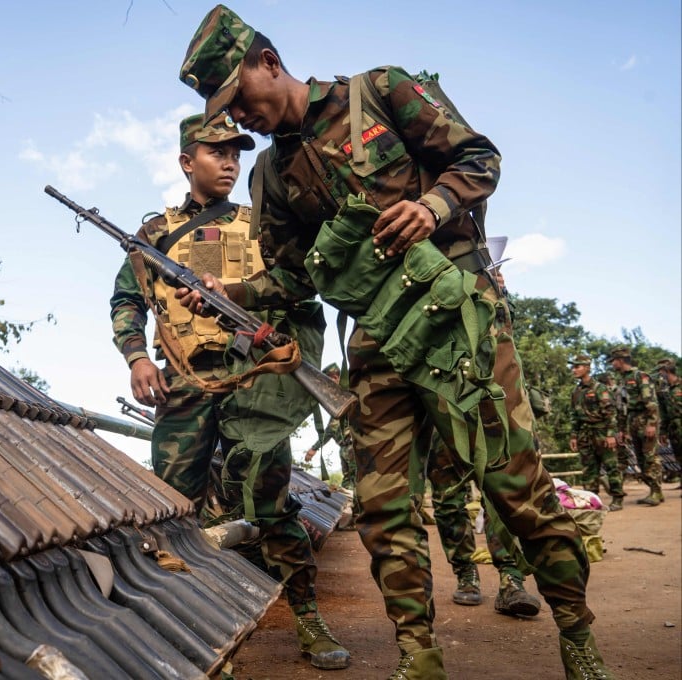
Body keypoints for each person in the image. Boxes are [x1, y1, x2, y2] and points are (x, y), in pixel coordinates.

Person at [176, 6, 614, 677]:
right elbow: (294, 277)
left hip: (457, 318)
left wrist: (433, 205)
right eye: (224, 111)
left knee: (514, 488)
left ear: (268, 62)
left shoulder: (380, 90)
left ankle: (577, 632)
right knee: (383, 510)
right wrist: (226, 296)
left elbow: (480, 157)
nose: (238, 117)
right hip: (378, 342)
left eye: (239, 98)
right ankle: (419, 654)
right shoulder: (270, 176)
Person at [108, 112, 351, 670]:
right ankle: (180, 627)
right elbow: (127, 299)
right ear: (186, 161)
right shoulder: (153, 236)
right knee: (171, 511)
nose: (229, 162)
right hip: (186, 386)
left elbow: (299, 290)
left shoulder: (263, 225)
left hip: (253, 385)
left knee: (271, 499)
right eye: (215, 152)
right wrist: (137, 355)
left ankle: (308, 616)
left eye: (236, 152)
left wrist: (244, 301)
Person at [426, 430, 542, 617]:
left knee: (502, 497)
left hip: (490, 412)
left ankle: (510, 578)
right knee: (448, 501)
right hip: (440, 413)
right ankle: (466, 573)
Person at [569, 353, 625, 511]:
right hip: (584, 434)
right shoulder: (576, 391)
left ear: (587, 368)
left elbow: (611, 413)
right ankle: (591, 499)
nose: (574, 370)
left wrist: (610, 434)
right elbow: (574, 415)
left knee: (611, 466)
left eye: (577, 366)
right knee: (589, 468)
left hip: (602, 432)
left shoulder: (600, 389)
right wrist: (574, 435)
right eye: (573, 367)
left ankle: (617, 498)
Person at [609, 346, 663, 505]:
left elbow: (651, 402)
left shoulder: (641, 376)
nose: (612, 364)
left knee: (650, 457)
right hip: (632, 421)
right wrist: (621, 429)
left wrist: (652, 423)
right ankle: (654, 491)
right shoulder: (621, 380)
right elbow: (621, 407)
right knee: (640, 459)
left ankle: (657, 491)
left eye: (613, 361)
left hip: (645, 419)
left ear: (620, 360)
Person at [302, 363, 356, 489]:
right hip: (344, 448)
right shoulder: (338, 400)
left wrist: (314, 449)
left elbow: (331, 429)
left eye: (331, 379)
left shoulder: (348, 395)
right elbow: (332, 429)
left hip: (353, 446)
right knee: (348, 484)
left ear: (337, 378)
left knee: (356, 483)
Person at [654, 357, 681, 487]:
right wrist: (663, 431)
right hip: (673, 427)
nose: (659, 375)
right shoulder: (664, 391)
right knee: (678, 454)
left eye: (660, 371)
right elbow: (663, 413)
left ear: (666, 371)